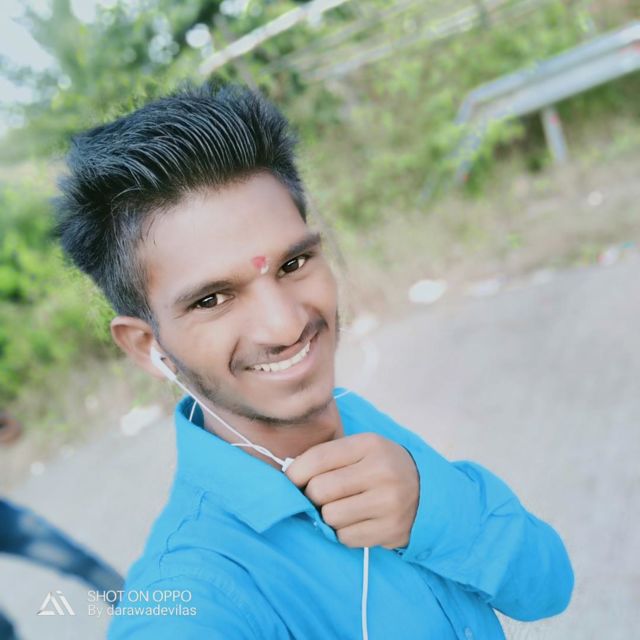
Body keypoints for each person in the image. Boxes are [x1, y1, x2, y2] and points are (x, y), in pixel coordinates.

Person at [54, 84, 573, 639]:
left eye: (294, 263)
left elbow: (547, 586)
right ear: (146, 346)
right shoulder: (193, 596)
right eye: (212, 299)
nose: (285, 326)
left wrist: (431, 508)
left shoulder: (357, 420)